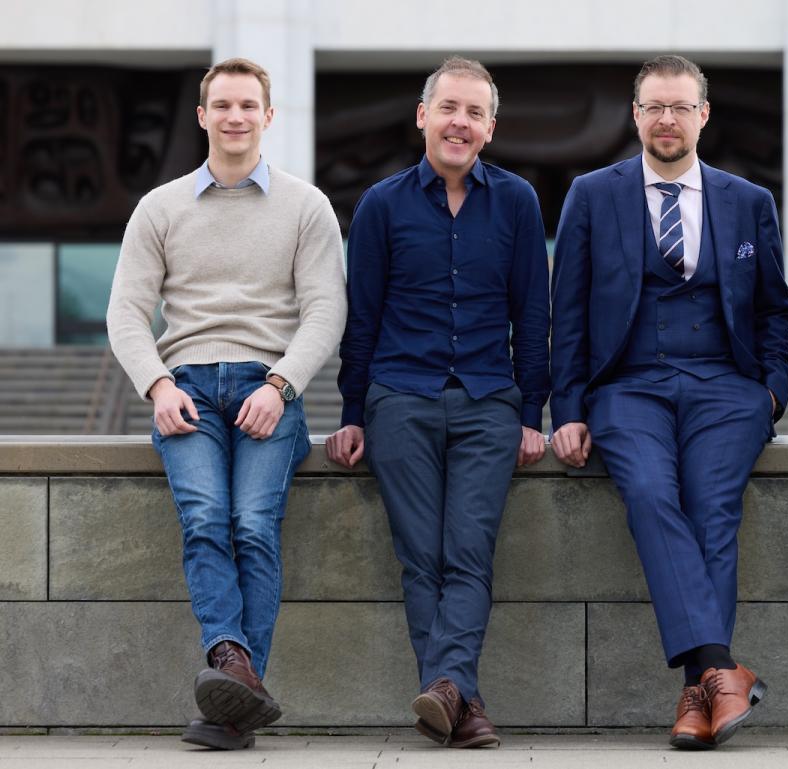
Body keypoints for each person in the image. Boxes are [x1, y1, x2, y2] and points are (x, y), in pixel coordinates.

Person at [550, 55, 788, 750]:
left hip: (727, 383)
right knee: (652, 493)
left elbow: (776, 307)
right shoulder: (592, 194)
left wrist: (772, 390)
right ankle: (719, 669)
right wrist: (566, 406)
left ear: (703, 115)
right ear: (635, 115)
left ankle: (698, 696)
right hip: (627, 383)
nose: (666, 119)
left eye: (680, 107)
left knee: (713, 506)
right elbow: (566, 307)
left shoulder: (749, 201)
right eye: (654, 107)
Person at [106, 58, 347, 750]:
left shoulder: (305, 206)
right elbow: (126, 312)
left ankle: (231, 695)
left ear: (268, 117)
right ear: (202, 115)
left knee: (251, 524)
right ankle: (235, 673)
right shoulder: (160, 207)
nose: (236, 116)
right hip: (185, 389)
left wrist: (280, 386)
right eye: (223, 105)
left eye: (249, 105)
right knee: (207, 516)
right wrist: (157, 385)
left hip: (268, 385)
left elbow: (327, 309)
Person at [325, 57, 550, 749]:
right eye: (449, 107)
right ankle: (462, 699)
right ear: (423, 115)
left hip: (488, 400)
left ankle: (447, 691)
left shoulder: (517, 201)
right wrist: (353, 412)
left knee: (468, 552)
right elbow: (361, 317)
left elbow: (532, 313)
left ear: (489, 128)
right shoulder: (382, 204)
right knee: (421, 556)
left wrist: (530, 413)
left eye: (474, 112)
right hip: (400, 397)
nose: (460, 121)